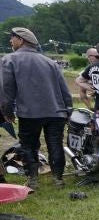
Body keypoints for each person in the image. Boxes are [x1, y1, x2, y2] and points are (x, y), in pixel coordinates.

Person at [1, 27, 72, 189]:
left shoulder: (9, 59)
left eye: (12, 37)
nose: (10, 41)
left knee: (29, 146)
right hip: (56, 112)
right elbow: (64, 90)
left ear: (21, 40)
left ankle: (33, 180)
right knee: (55, 144)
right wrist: (68, 110)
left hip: (29, 113)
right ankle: (58, 180)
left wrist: (7, 111)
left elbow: (7, 90)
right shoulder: (50, 62)